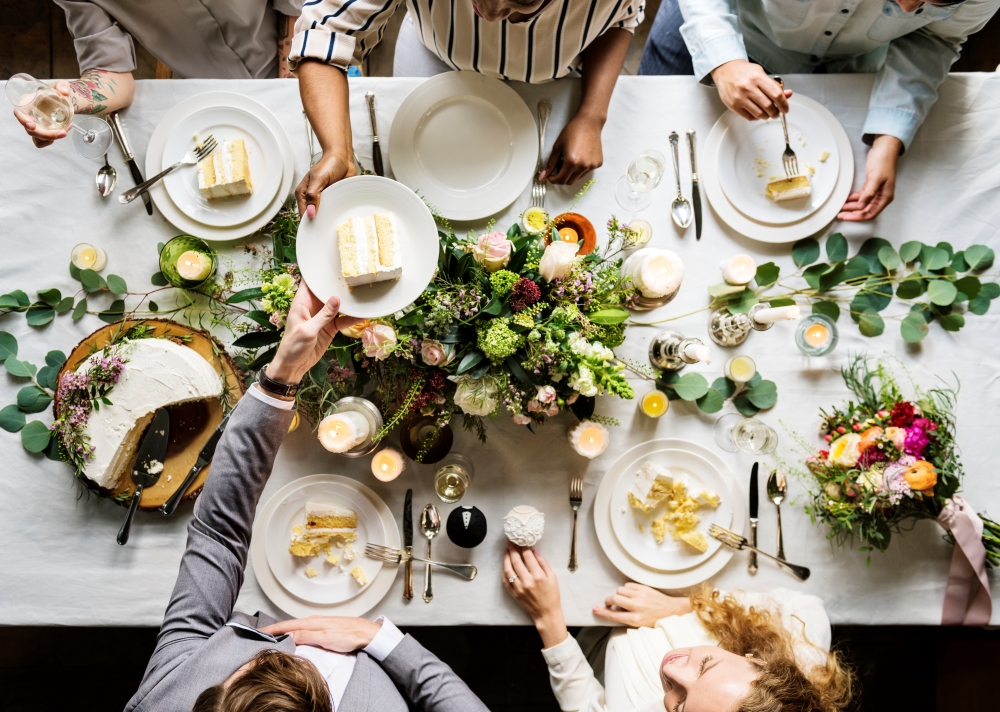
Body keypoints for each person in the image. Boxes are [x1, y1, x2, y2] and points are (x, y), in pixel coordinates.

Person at [125, 285, 490, 712]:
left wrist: (281, 377)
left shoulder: (171, 695)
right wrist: (382, 641)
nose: (276, 643)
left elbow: (217, 534)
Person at [638, 0, 1000, 221]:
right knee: (646, 142)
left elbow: (934, 37)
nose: (907, 9)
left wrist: (890, 135)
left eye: (934, 1)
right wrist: (724, 60)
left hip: (848, 61)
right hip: (716, 21)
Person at [290, 0, 646, 217]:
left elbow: (621, 18)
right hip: (434, 59)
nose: (489, 15)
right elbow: (326, 30)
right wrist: (337, 150)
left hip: (548, 83)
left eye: (517, 6)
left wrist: (592, 116)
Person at [502, 544, 854, 712]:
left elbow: (583, 704)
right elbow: (808, 606)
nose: (670, 670)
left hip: (595, 640)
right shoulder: (800, 659)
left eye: (680, 706)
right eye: (706, 665)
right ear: (759, 660)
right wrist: (679, 606)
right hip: (677, 586)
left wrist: (548, 617)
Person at [15, 0, 300, 149]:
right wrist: (68, 99)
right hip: (198, 95)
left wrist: (286, 89)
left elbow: (296, 7)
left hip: (295, 63)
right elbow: (114, 75)